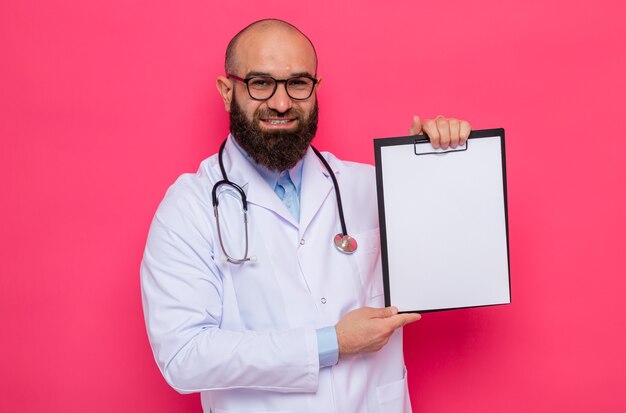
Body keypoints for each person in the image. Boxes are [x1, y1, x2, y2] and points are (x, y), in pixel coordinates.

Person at [141, 18, 471, 413]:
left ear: (316, 89)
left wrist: (435, 164)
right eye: (261, 83)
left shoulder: (370, 185)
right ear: (227, 91)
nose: (282, 103)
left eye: (298, 83)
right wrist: (331, 342)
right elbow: (183, 356)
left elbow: (451, 262)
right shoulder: (189, 207)